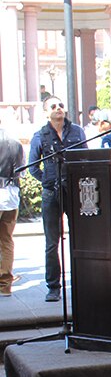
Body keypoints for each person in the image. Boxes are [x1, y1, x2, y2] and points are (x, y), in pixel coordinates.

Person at [28, 96, 85, 302]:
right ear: (46, 112)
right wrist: (48, 180)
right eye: (53, 106)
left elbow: (85, 158)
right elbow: (32, 166)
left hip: (74, 190)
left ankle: (83, 282)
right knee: (52, 243)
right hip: (51, 194)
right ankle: (54, 287)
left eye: (61, 105)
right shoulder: (39, 135)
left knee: (81, 239)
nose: (58, 108)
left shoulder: (77, 131)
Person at [0, 126, 24, 297]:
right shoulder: (15, 142)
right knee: (6, 241)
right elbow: (21, 172)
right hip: (11, 194)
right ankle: (5, 285)